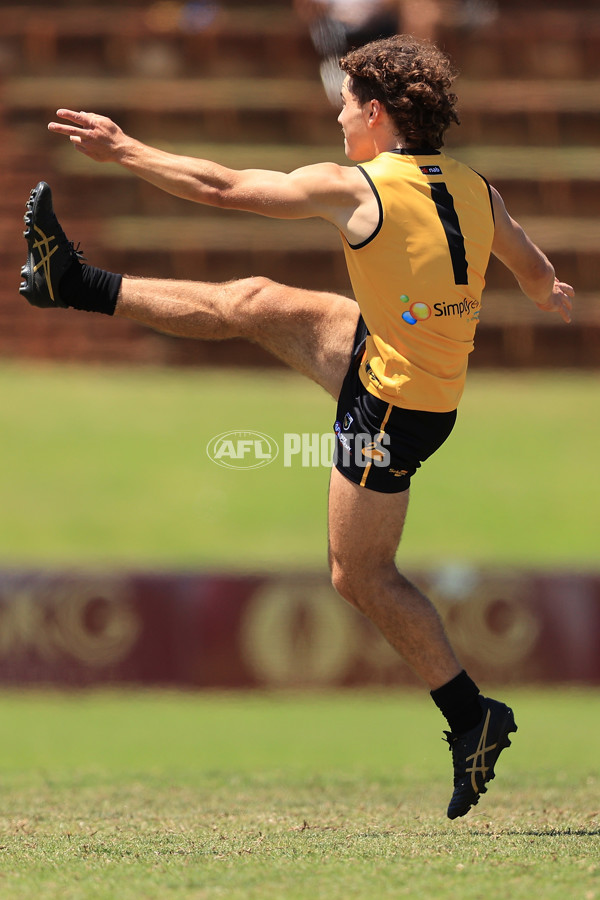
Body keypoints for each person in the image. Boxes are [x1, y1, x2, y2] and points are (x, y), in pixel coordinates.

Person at [19, 36, 573, 818]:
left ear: (376, 113)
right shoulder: (476, 188)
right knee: (253, 303)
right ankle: (69, 280)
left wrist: (125, 148)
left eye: (345, 103)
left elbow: (224, 187)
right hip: (402, 362)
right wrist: (549, 293)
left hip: (391, 411)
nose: (338, 115)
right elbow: (531, 264)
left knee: (360, 577)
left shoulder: (358, 189)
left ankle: (474, 718)